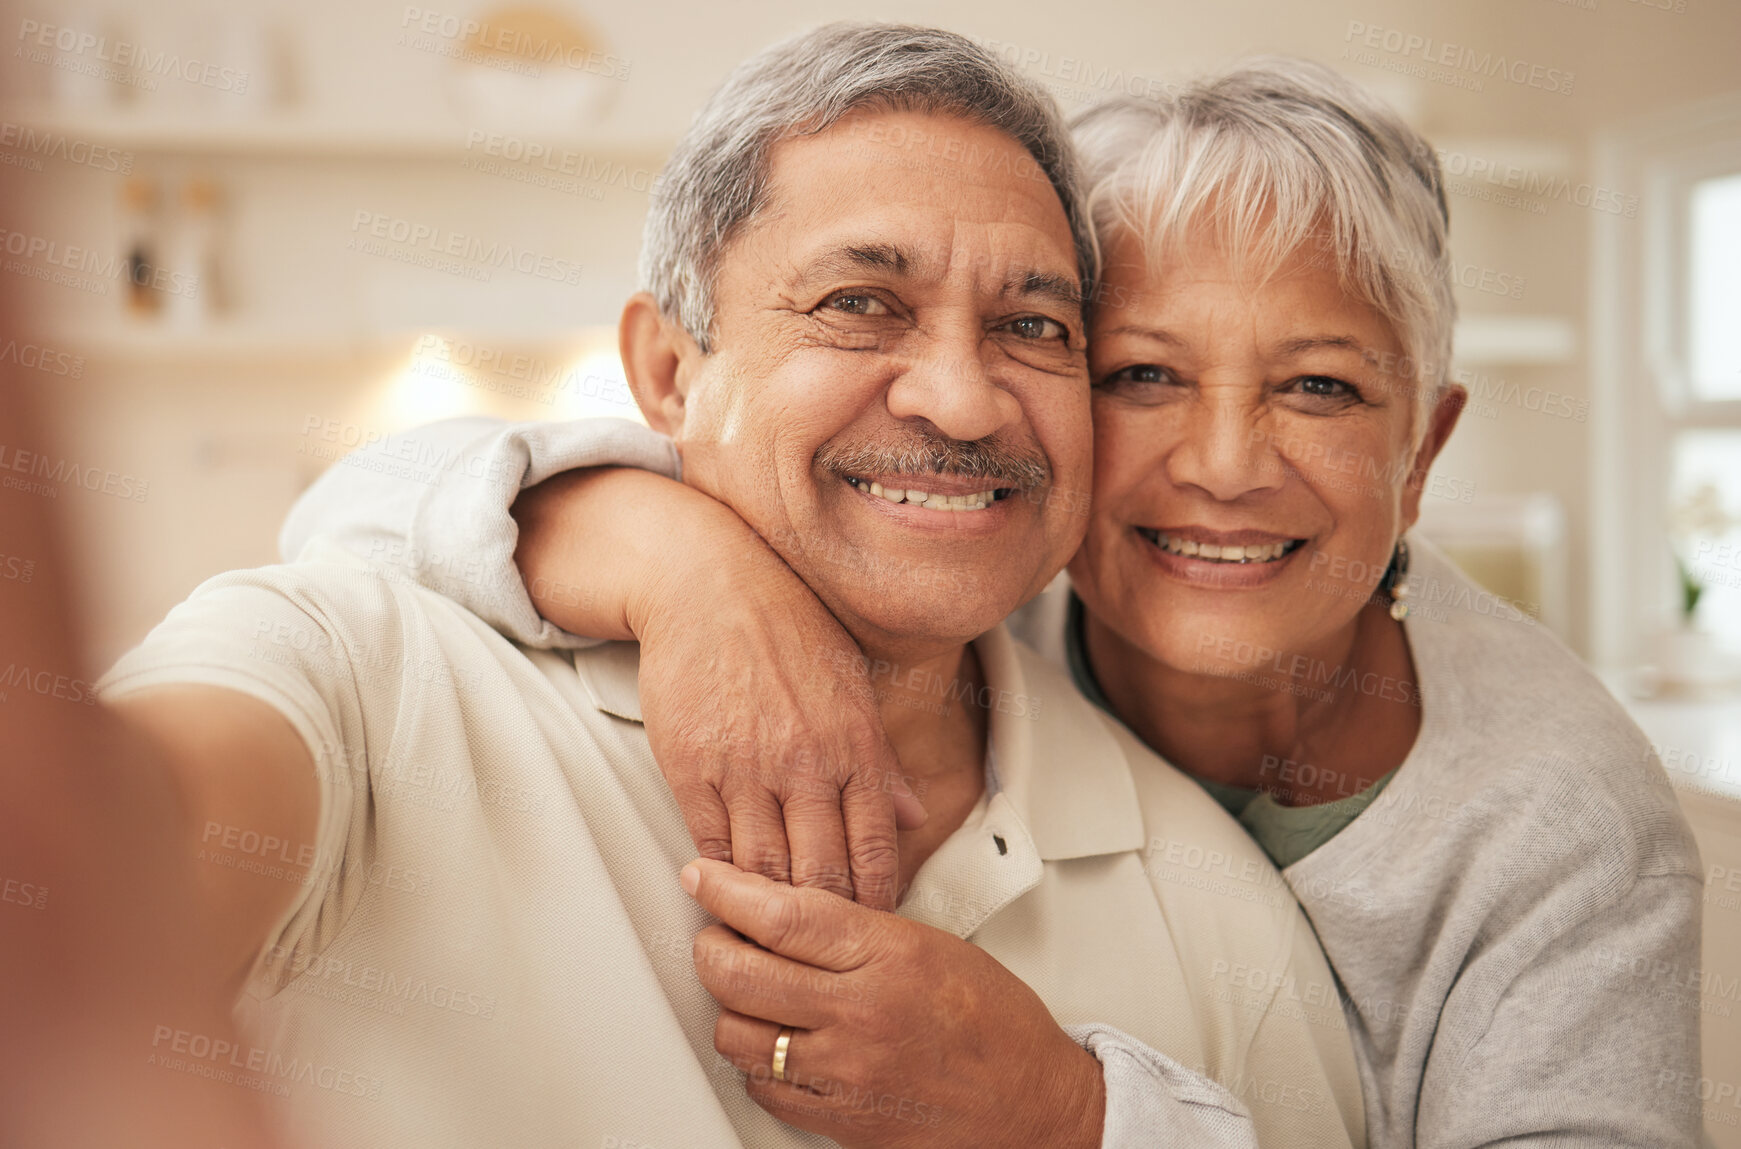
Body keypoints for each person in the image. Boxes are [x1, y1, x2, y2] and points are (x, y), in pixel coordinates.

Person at [290, 56, 1705, 1146]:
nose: (1221, 467)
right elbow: (352, 517)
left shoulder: (1562, 824)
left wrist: (1072, 1116)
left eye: (1319, 386)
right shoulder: (973, 571)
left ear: (1424, 453)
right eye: (1142, 373)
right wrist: (687, 571)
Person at [89, 25, 1363, 1149]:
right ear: (666, 371)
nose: (965, 400)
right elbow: (82, 883)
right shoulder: (364, 681)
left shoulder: (1219, 915)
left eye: (1034, 326)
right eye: (861, 304)